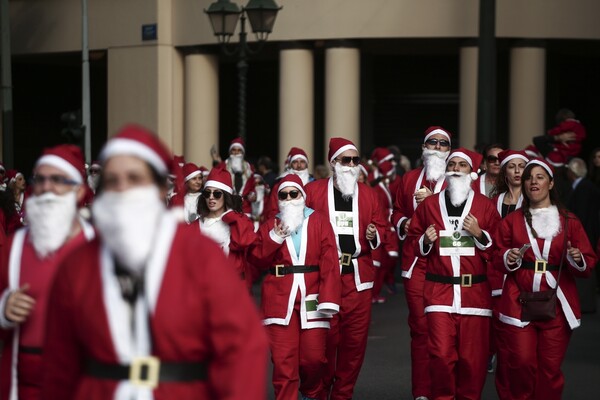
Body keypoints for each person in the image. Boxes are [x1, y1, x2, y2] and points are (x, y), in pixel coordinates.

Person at [40, 124, 268, 400]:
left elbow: (242, 349)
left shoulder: (201, 256)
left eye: (135, 178)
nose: (123, 189)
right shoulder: (77, 265)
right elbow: (58, 365)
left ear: (161, 188)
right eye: (113, 180)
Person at [493, 157, 596, 400]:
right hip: (518, 300)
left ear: (550, 184)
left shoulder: (570, 221)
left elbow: (588, 264)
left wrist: (577, 257)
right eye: (529, 178)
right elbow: (495, 255)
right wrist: (509, 257)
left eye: (540, 177)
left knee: (549, 369)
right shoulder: (511, 221)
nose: (533, 182)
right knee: (522, 362)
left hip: (557, 304)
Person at [0, 144, 96, 400]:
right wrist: (4, 308)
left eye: (57, 179)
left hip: (79, 380)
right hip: (23, 383)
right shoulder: (16, 245)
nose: (46, 188)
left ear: (79, 191)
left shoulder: (98, 246)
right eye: (40, 179)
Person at [408, 147, 501, 400]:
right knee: (440, 354)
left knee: (473, 360)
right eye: (453, 165)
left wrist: (480, 234)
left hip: (475, 296)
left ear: (472, 173)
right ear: (446, 171)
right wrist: (425, 242)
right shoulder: (428, 205)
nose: (457, 169)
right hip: (439, 292)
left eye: (463, 165)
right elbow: (412, 242)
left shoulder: (486, 206)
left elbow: (497, 251)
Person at [304, 137, 386, 400]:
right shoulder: (314, 192)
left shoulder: (370, 194)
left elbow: (383, 229)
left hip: (358, 280)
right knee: (324, 342)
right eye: (345, 159)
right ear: (333, 163)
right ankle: (318, 391)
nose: (351, 165)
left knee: (354, 345)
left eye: (355, 160)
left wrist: (374, 235)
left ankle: (343, 395)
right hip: (324, 279)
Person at [250, 174, 341, 400]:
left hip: (313, 297)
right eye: (284, 195)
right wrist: (274, 238)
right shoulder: (271, 224)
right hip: (279, 299)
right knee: (283, 364)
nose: (289, 198)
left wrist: (329, 298)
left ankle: (310, 393)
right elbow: (257, 259)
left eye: (294, 193)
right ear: (278, 198)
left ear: (302, 196)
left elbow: (330, 261)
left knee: (313, 359)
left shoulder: (319, 220)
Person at [391, 125, 451, 400]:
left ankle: (446, 389)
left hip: (450, 265)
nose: (437, 147)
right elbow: (397, 212)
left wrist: (433, 202)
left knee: (447, 332)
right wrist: (404, 223)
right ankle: (422, 393)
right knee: (420, 328)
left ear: (448, 150)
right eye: (432, 143)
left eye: (442, 144)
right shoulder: (409, 179)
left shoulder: (458, 178)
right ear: (424, 148)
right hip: (415, 263)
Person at [488, 149, 529, 394]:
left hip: (524, 278)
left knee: (521, 345)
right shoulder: (494, 202)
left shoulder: (535, 201)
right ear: (504, 171)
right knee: (501, 340)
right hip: (495, 277)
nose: (516, 171)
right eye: (511, 166)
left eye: (521, 166)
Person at [197, 167, 257, 287]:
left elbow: (242, 242)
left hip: (232, 290)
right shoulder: (194, 226)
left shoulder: (238, 221)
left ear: (226, 196)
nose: (211, 197)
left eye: (217, 193)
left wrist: (231, 216)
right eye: (207, 193)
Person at [565, 157, 600, 305]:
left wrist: (578, 236)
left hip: (586, 233)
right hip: (586, 232)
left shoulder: (584, 187)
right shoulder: (583, 186)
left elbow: (582, 215)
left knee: (586, 265)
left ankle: (586, 302)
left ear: (572, 172)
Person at [223, 137, 257, 216]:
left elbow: (253, 186)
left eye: (239, 150)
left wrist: (253, 194)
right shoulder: (222, 167)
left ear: (242, 153)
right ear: (230, 152)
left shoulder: (249, 168)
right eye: (234, 150)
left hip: (245, 209)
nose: (236, 153)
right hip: (227, 207)